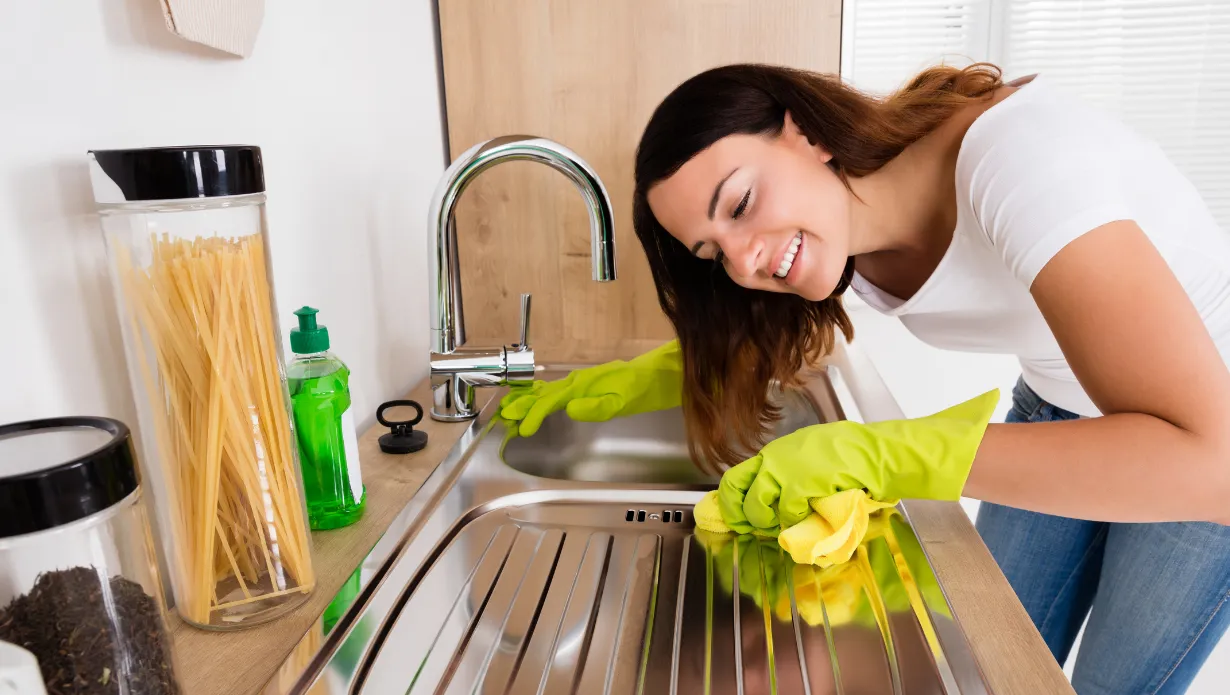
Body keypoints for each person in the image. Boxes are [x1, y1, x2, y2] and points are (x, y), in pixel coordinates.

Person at [498, 62, 1230, 693]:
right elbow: (785, 327)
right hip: (1064, 401)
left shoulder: (1019, 162)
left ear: (806, 135)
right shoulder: (857, 229)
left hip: (1209, 433)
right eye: (713, 252)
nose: (746, 260)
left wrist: (888, 453)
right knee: (992, 652)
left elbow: (1209, 463)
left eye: (743, 203)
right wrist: (671, 373)